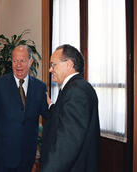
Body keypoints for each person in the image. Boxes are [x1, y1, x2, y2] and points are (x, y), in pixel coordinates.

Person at [0, 45, 48, 172]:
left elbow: (48, 114)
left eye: (22, 61)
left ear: (30, 62)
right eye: (15, 61)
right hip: (3, 153)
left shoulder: (40, 87)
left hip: (27, 153)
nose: (18, 65)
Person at [40, 44, 100, 172]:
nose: (50, 70)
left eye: (53, 65)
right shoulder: (77, 87)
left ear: (68, 64)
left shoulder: (76, 91)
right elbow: (66, 117)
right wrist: (51, 106)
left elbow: (68, 143)